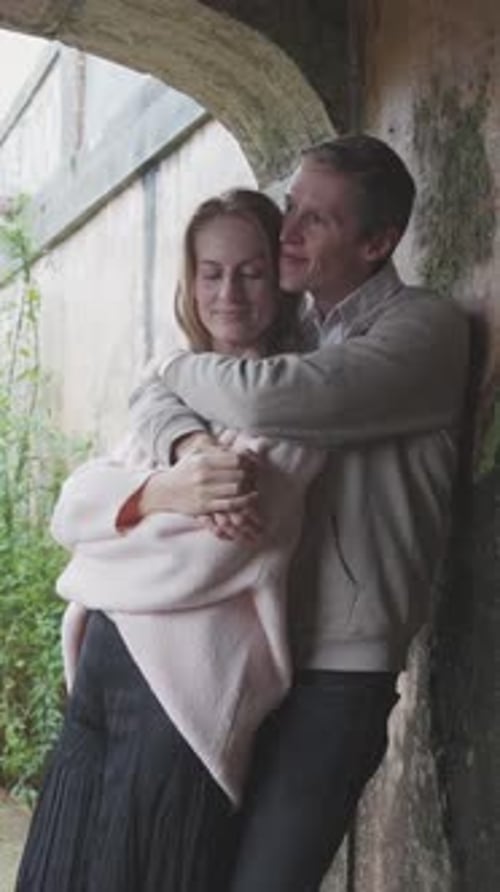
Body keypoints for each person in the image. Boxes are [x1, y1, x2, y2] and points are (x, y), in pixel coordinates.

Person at [130, 135, 470, 891]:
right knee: (190, 868)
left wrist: (174, 364)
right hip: (252, 647)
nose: (286, 231)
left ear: (377, 243)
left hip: (340, 670)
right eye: (291, 206)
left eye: (318, 219)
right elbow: (149, 398)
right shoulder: (298, 331)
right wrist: (187, 441)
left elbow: (260, 398)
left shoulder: (422, 331)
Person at [15, 189, 324, 892]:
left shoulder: (291, 405)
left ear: (281, 277)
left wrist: (112, 531)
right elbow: (71, 507)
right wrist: (164, 492)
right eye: (211, 272)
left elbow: (198, 560)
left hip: (184, 710)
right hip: (97, 684)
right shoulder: (172, 387)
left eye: (250, 272)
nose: (228, 293)